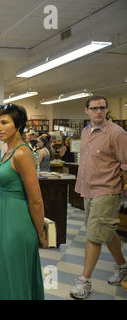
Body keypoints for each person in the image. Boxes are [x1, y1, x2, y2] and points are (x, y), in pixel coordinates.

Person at [0, 103, 46, 300]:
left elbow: (36, 200)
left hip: (17, 224)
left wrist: (40, 233)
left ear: (18, 125)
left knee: (15, 280)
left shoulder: (22, 153)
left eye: (4, 123)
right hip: (0, 220)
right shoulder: (4, 150)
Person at [70, 95, 127, 299]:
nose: (98, 112)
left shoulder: (117, 133)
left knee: (93, 236)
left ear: (107, 109)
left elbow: (126, 163)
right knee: (106, 231)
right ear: (87, 110)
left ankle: (84, 281)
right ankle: (122, 266)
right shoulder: (86, 131)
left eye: (102, 108)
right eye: (94, 108)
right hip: (88, 190)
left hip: (107, 190)